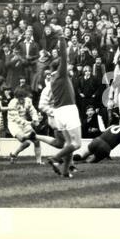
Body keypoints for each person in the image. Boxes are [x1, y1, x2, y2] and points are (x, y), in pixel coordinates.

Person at [45, 25, 82, 178]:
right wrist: (61, 36)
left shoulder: (53, 78)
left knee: (69, 144)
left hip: (59, 112)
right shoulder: (60, 74)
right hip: (68, 110)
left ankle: (65, 171)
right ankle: (55, 158)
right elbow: (64, 56)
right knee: (77, 144)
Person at [7, 88, 42, 164]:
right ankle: (14, 154)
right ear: (16, 97)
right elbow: (16, 119)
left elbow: (33, 111)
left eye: (22, 97)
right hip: (13, 124)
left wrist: (35, 120)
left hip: (25, 122)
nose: (21, 99)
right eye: (19, 97)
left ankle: (39, 162)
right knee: (25, 141)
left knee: (36, 140)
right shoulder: (12, 103)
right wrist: (30, 123)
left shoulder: (28, 100)